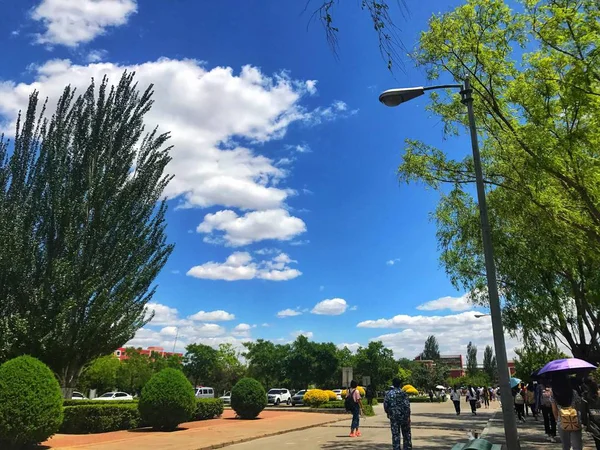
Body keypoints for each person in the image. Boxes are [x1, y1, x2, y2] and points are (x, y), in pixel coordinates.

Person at [552, 373, 583, 450]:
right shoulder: (573, 392)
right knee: (577, 445)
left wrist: (557, 419)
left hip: (562, 421)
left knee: (565, 446)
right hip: (574, 420)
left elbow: (554, 410)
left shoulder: (554, 394)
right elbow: (578, 406)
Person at [384, 377, 412, 450]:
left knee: (396, 434)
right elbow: (407, 405)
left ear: (393, 384)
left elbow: (386, 405)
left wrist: (388, 412)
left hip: (394, 417)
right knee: (406, 434)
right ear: (400, 384)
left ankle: (396, 448)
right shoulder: (404, 394)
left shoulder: (388, 394)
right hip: (404, 416)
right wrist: (408, 416)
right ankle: (407, 447)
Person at [582, 378, 600, 450]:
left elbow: (583, 411)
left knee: (598, 442)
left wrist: (585, 423)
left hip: (594, 424)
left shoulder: (585, 396)